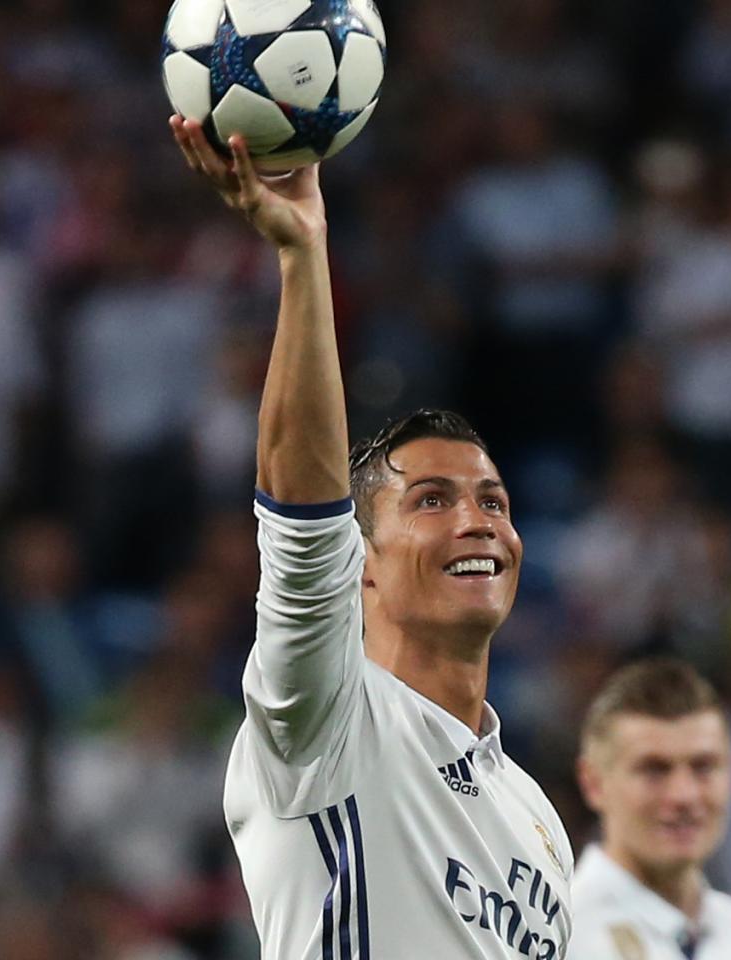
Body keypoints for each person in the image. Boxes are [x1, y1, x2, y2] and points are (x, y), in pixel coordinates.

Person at [167, 118, 574, 958]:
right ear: (363, 568)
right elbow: (302, 528)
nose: (478, 521)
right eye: (431, 501)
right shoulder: (325, 718)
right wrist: (303, 254)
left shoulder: (536, 816)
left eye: (494, 502)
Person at [571, 659, 731, 959]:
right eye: (654, 769)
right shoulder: (557, 935)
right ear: (593, 783)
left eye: (703, 767)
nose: (683, 795)